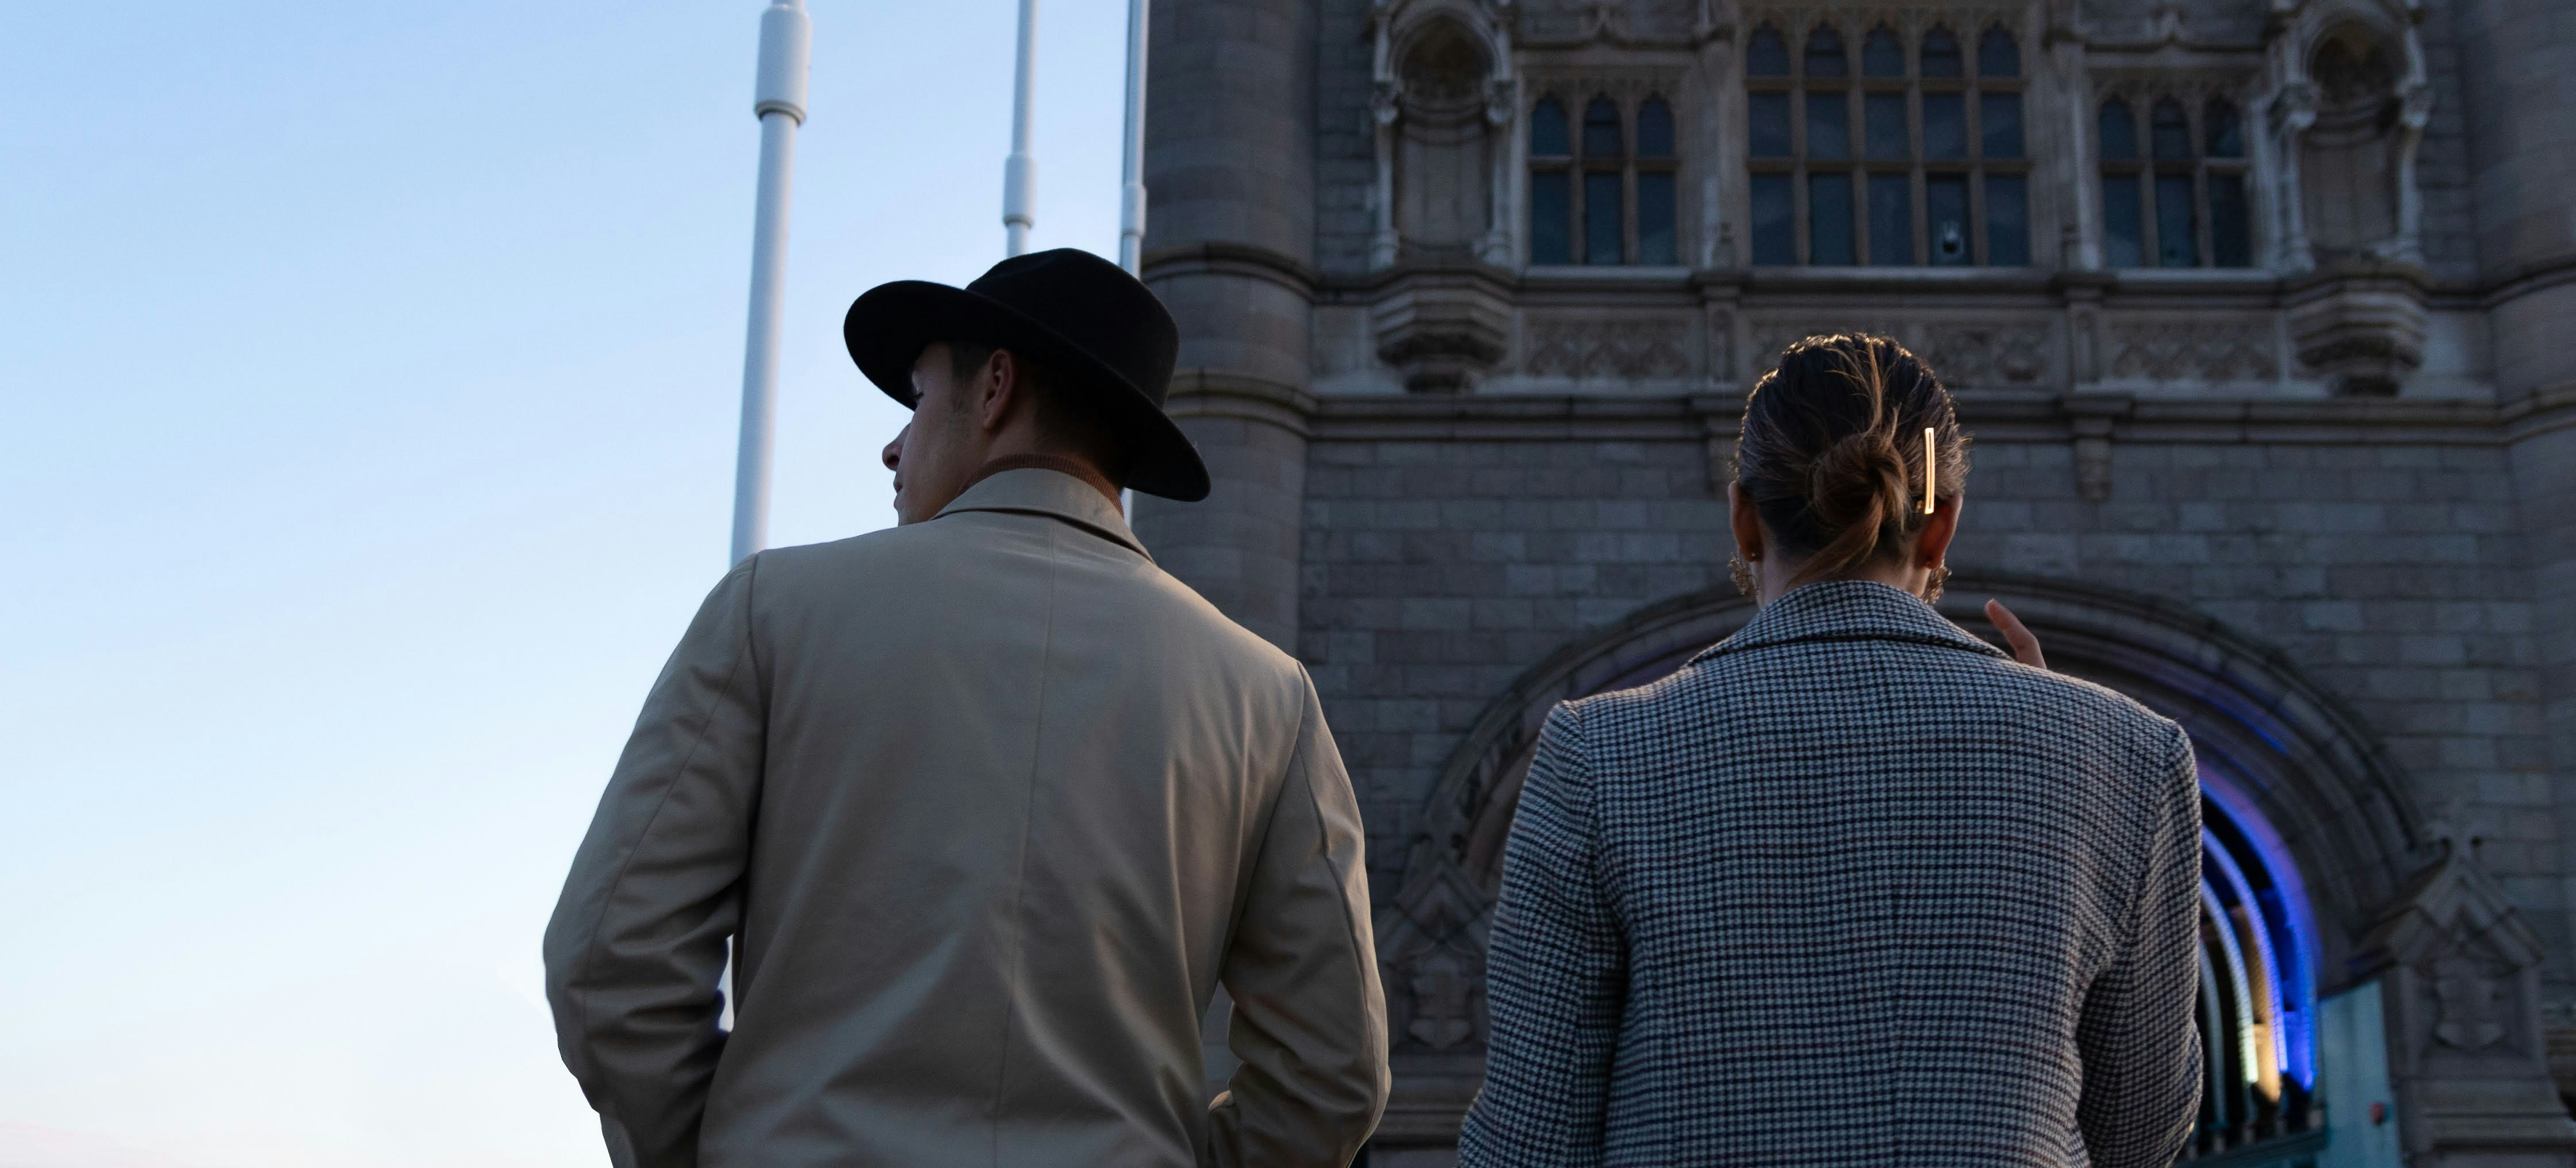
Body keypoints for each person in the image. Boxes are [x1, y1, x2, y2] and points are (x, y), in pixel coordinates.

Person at [544, 248, 1388, 1167]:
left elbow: (609, 961)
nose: (894, 444)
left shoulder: (773, 611)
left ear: (992, 388)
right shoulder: (1266, 695)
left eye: (914, 397)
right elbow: (1332, 1072)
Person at [1459, 332, 2205, 1168]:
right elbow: (2140, 1132)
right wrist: (2065, 741)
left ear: (1743, 519)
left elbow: (1529, 1141)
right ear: (1941, 528)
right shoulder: (2134, 755)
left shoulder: (1596, 755)